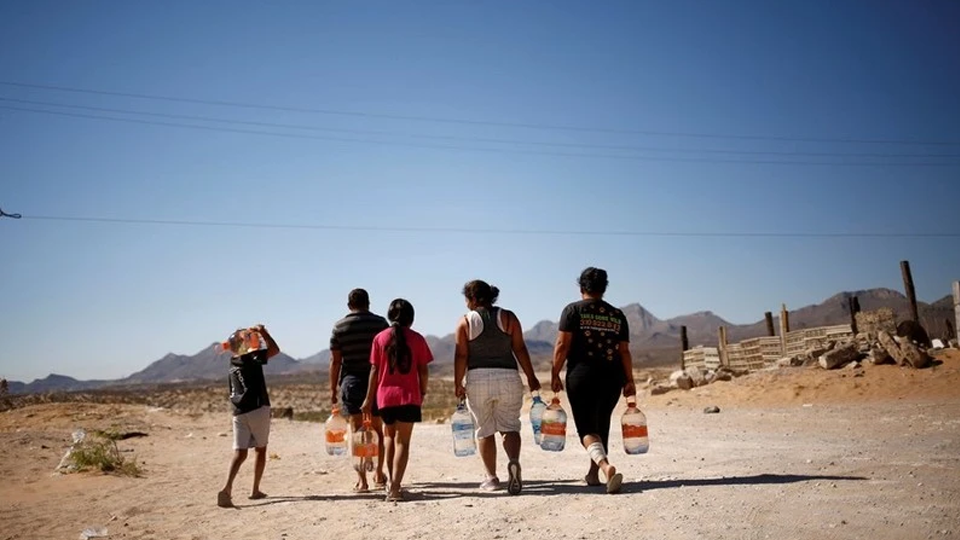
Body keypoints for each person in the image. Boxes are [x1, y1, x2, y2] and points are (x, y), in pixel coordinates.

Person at [550, 267, 636, 494]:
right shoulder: (617, 315)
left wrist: (554, 372)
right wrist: (629, 380)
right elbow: (624, 351)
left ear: (581, 288)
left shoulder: (572, 311)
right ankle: (593, 474)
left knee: (587, 428)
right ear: (604, 289)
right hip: (612, 377)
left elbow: (562, 345)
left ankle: (605, 466)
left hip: (582, 375)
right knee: (601, 422)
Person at [454, 280, 541, 495]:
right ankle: (513, 461)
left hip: (478, 377)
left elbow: (462, 355)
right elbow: (519, 348)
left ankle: (491, 478)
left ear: (473, 299)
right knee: (510, 426)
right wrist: (531, 377)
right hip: (508, 376)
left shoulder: (465, 322)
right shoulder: (509, 317)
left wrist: (458, 383)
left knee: (484, 429)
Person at [361, 298, 432, 502]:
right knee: (403, 442)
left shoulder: (380, 338)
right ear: (411, 318)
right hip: (409, 396)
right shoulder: (417, 339)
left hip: (385, 397)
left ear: (390, 316)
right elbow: (423, 370)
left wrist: (368, 399)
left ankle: (391, 482)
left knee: (389, 438)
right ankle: (395, 487)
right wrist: (423, 392)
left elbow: (374, 370)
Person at [329, 288, 390, 493]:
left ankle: (362, 480)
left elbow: (335, 361)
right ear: (368, 303)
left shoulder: (339, 327)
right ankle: (379, 474)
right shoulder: (380, 324)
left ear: (349, 306)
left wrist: (332, 389)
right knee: (378, 431)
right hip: (377, 382)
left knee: (357, 432)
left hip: (351, 382)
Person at [218, 324, 281, 508]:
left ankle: (227, 488)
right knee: (261, 449)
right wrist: (263, 332)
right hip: (258, 408)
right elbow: (275, 350)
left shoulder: (233, 363)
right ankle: (255, 490)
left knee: (240, 453)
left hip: (239, 412)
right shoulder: (252, 358)